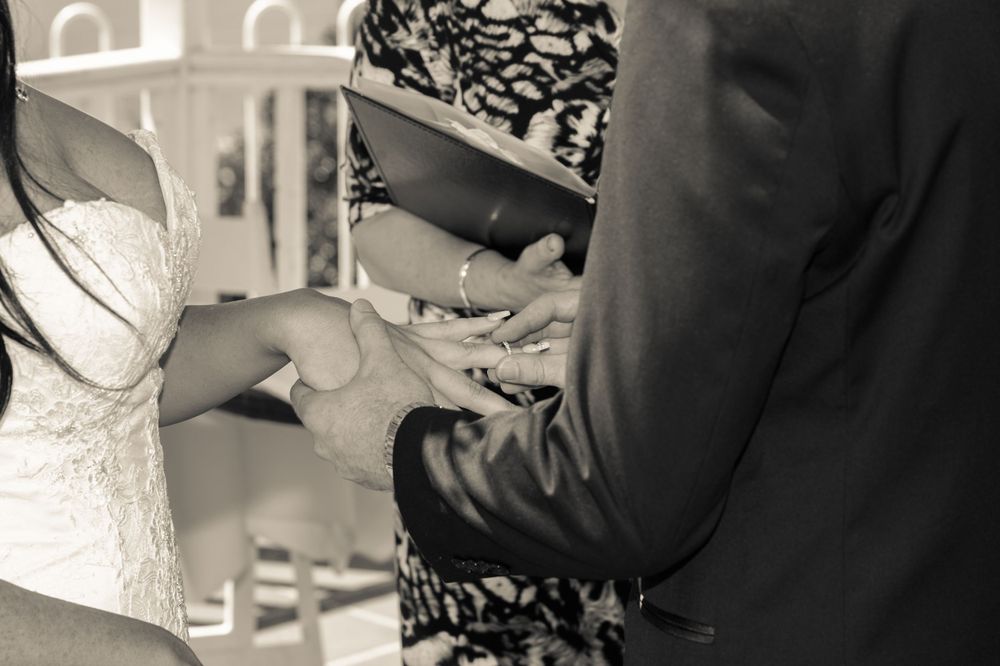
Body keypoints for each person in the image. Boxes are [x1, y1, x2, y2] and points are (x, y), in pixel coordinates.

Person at [292, 0, 1000, 663]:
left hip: (732, 545)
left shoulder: (717, 19)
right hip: (917, 555)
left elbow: (620, 490)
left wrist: (399, 444)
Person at [0, 3, 513, 663]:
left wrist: (285, 321)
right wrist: (128, 653)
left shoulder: (21, 96)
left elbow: (78, 389)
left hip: (134, 608)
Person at [345, 0, 630, 663]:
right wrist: (513, 283)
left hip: (685, 417)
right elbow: (375, 223)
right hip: (487, 428)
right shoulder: (421, 8)